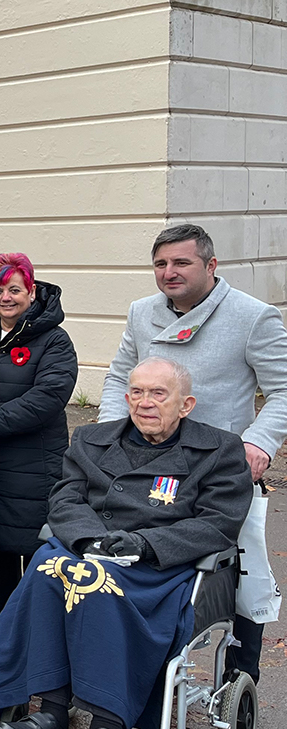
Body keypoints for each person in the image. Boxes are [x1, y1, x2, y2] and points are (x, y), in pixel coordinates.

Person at [0, 358, 252, 729]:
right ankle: (52, 716)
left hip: (164, 565)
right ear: (126, 398)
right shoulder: (91, 439)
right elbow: (66, 499)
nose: (145, 403)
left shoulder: (219, 449)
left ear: (186, 404)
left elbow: (218, 523)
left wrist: (145, 544)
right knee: (49, 567)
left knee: (97, 584)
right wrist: (90, 541)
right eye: (137, 392)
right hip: (92, 548)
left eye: (158, 393)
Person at [98, 223, 287, 684]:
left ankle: (239, 674)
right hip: (149, 465)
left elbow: (283, 390)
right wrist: (105, 439)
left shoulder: (253, 316)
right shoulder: (142, 312)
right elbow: (118, 376)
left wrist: (258, 442)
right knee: (144, 560)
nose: (169, 272)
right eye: (161, 263)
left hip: (220, 468)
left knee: (239, 574)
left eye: (181, 262)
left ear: (211, 265)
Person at [0, 253, 77, 639]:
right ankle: (6, 616)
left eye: (14, 289)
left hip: (33, 460)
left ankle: (36, 624)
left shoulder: (54, 340)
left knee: (33, 544)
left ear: (31, 290)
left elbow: (47, 397)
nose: (6, 297)